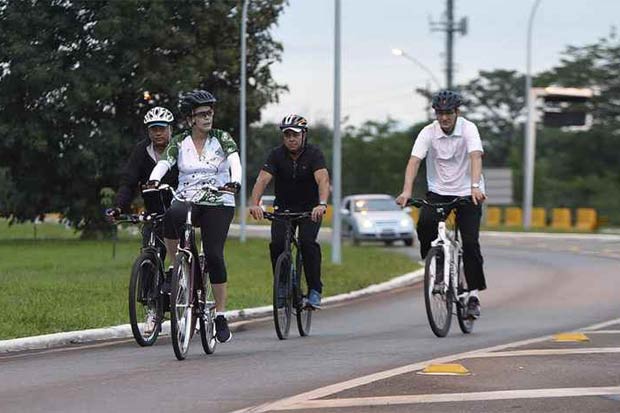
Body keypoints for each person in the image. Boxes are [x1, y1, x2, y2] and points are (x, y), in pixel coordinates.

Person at [148, 89, 241, 343]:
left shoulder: (222, 138)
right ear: (190, 119)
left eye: (210, 113)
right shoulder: (179, 141)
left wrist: (235, 181)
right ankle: (176, 266)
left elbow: (235, 161)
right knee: (171, 216)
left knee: (213, 254)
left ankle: (220, 315)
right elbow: (166, 162)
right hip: (188, 196)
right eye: (201, 114)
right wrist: (154, 179)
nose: (207, 118)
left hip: (218, 199)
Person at [396, 90, 487, 318]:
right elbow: (414, 161)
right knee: (425, 225)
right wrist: (407, 190)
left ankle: (473, 295)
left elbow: (476, 156)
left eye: (448, 113)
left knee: (470, 242)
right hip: (438, 191)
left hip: (468, 192)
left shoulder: (468, 129)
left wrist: (475, 186)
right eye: (439, 113)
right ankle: (435, 265)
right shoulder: (428, 132)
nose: (444, 118)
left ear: (457, 112)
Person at [248, 114, 331, 309]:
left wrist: (322, 204)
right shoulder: (276, 155)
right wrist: (255, 203)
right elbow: (262, 180)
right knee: (277, 244)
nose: (291, 139)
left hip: (310, 210)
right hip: (283, 209)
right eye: (287, 135)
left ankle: (314, 290)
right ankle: (284, 284)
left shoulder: (314, 154)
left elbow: (323, 180)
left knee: (307, 243)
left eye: (295, 135)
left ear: (304, 135)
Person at [106, 106, 178, 259]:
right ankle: (149, 278)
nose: (158, 133)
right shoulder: (141, 150)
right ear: (148, 131)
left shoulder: (181, 148)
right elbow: (129, 181)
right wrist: (118, 207)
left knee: (179, 257)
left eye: (162, 128)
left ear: (171, 129)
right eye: (153, 129)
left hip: (178, 207)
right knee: (150, 253)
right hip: (154, 211)